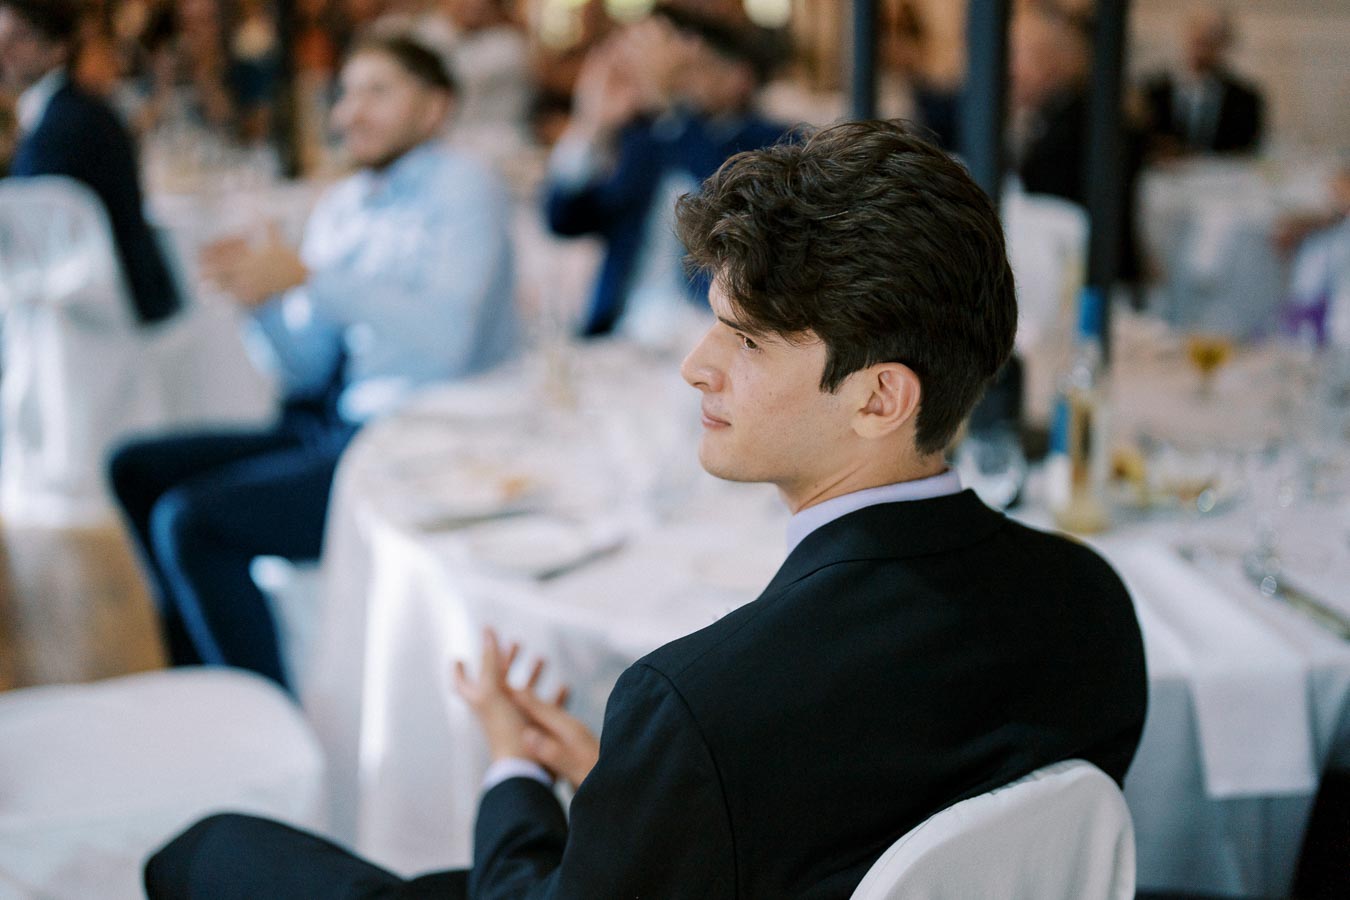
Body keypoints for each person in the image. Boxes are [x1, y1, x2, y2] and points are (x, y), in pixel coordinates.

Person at [144, 120, 1148, 898]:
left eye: (746, 341)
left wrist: (516, 775)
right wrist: (633, 783)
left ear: (882, 397)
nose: (694, 365)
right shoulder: (1091, 606)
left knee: (202, 852)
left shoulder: (696, 703)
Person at [109, 34, 518, 689]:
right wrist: (260, 301)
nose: (350, 111)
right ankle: (203, 686)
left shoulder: (464, 185)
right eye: (346, 93)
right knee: (134, 467)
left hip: (423, 439)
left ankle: (264, 719)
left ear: (435, 107)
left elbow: (448, 340)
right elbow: (303, 368)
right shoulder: (344, 207)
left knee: (193, 520)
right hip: (334, 423)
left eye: (378, 92)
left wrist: (309, 274)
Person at [546, 5, 785, 340]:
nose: (683, 84)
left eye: (693, 69)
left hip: (712, 333)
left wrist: (672, 106)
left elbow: (726, 201)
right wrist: (591, 125)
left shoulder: (775, 142)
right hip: (621, 331)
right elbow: (564, 220)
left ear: (739, 77)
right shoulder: (648, 138)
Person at [0, 0, 180, 324]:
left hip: (94, 317)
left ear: (57, 48)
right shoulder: (78, 111)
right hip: (116, 302)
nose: (4, 50)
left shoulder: (60, 130)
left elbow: (30, 245)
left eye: (19, 37)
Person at [1143, 6, 1264, 158]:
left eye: (1209, 41)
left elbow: (1247, 148)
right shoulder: (1154, 91)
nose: (1201, 50)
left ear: (1224, 44)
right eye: (1197, 40)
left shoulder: (1245, 99)